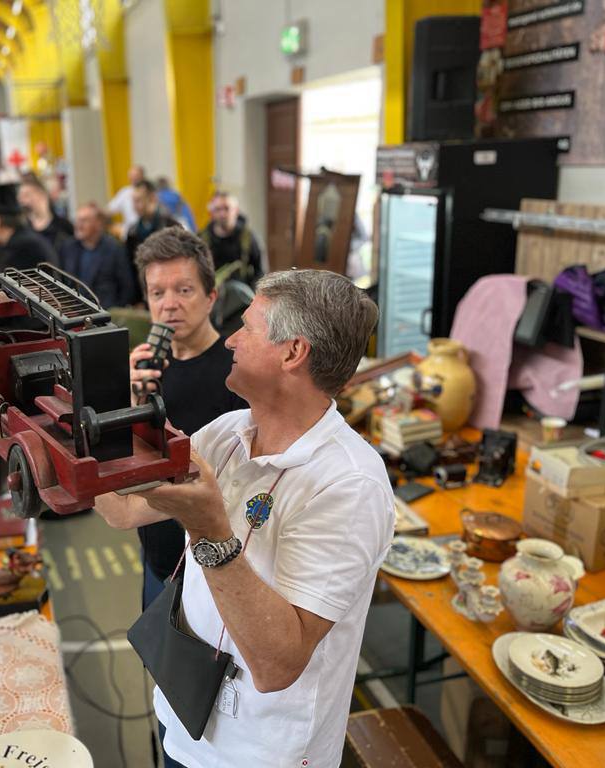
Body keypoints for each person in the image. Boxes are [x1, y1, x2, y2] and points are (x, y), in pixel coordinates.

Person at [94, 269, 392, 767]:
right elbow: (122, 510)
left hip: (261, 753)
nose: (230, 338)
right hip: (185, 717)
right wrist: (99, 418)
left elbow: (278, 666)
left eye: (248, 327)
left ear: (292, 352)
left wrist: (210, 530)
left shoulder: (350, 484)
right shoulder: (228, 433)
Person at [128, 227, 247, 612]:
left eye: (184, 290)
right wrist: (126, 402)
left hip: (216, 567)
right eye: (157, 292)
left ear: (211, 297)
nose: (169, 305)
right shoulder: (141, 370)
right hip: (155, 558)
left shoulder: (238, 371)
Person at [59, 203, 134, 308]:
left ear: (98, 224)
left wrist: (115, 311)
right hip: (74, 312)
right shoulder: (68, 247)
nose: (78, 225)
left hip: (105, 313)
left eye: (84, 221)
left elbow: (127, 286)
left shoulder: (114, 249)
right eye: (77, 220)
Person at [125, 179, 178, 303]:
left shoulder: (172, 227)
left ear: (153, 198)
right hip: (145, 295)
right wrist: (135, 300)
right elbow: (131, 269)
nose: (134, 205)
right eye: (133, 201)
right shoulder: (132, 232)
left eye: (138, 200)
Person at [199, 191, 265, 287]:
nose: (222, 214)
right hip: (211, 297)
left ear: (236, 210)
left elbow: (260, 272)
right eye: (218, 209)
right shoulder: (201, 239)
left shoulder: (248, 238)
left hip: (242, 297)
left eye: (227, 208)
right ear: (212, 213)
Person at [18, 175, 74, 253]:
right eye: (20, 196)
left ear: (41, 194)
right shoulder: (22, 229)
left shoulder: (64, 226)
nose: (21, 200)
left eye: (26, 195)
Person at [106, 164, 145, 239]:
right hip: (130, 235)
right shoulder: (125, 193)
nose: (133, 178)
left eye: (136, 175)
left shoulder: (151, 192)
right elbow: (109, 210)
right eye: (131, 175)